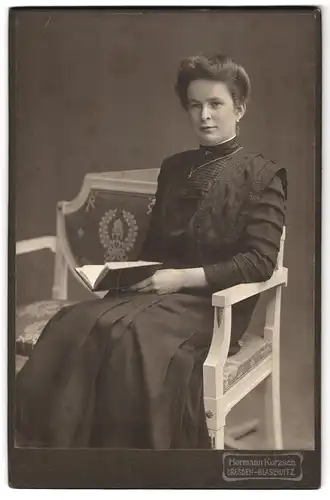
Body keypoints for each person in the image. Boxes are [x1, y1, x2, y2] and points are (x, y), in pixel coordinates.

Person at [15, 54, 287, 450]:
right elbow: (155, 247)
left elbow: (259, 261)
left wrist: (180, 278)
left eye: (216, 104)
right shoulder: (175, 168)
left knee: (131, 341)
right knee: (75, 322)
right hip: (158, 290)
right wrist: (119, 275)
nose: (205, 116)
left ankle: (129, 459)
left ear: (239, 108)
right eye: (195, 105)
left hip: (212, 303)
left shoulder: (263, 175)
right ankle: (63, 449)